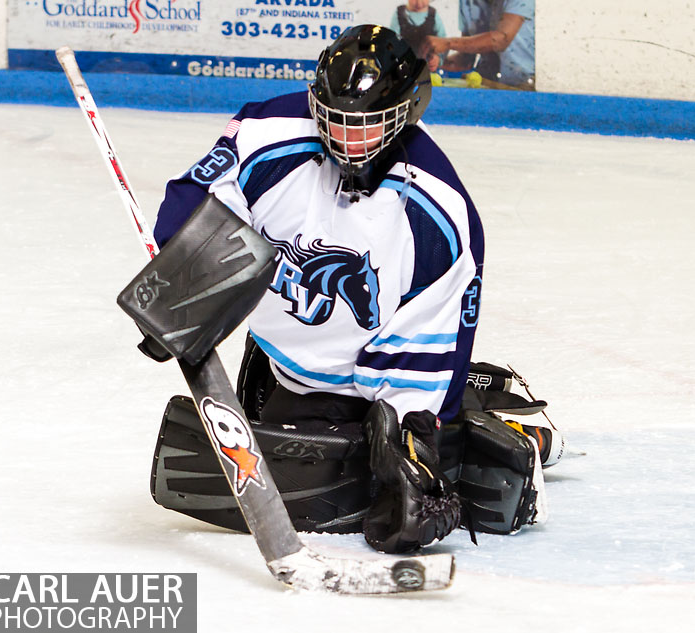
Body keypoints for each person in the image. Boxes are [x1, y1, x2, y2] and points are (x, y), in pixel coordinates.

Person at [151, 25, 483, 553]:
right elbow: (200, 192)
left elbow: (433, 328)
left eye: (366, 124)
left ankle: (489, 419)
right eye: (336, 121)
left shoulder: (436, 215)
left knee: (370, 481)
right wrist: (177, 273)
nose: (347, 139)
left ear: (405, 112)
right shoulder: (268, 134)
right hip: (281, 357)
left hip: (360, 382)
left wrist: (414, 439)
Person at [420, 0, 535, 89]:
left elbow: (501, 39)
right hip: (487, 84)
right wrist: (435, 61)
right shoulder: (467, 2)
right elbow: (466, 57)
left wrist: (448, 43)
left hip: (526, 87)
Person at [389, 0, 448, 72]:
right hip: (405, 66)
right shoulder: (399, 13)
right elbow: (392, 41)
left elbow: (444, 41)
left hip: (427, 66)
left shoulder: (434, 15)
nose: (419, 3)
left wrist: (438, 58)